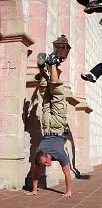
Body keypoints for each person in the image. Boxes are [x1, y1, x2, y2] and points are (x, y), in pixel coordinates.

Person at [26, 52, 72, 197]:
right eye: (45, 164)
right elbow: (35, 173)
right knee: (46, 95)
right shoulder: (39, 155)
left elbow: (67, 173)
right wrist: (34, 190)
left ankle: (52, 63)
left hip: (56, 126)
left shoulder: (59, 154)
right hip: (46, 125)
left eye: (45, 162)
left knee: (57, 94)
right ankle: (42, 69)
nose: (47, 165)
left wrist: (69, 191)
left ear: (45, 155)